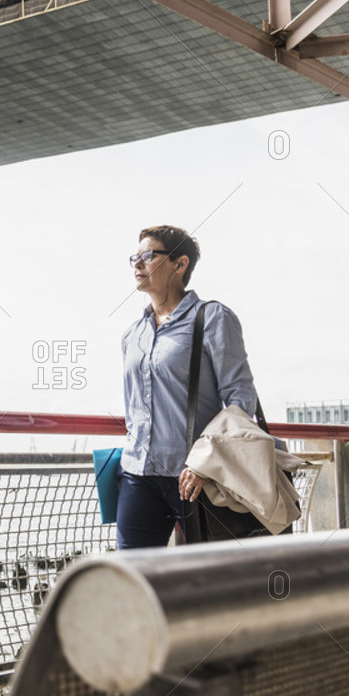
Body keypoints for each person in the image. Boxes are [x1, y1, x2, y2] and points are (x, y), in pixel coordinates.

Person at [117, 224, 258, 549]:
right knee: (135, 578)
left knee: (208, 578)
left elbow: (240, 399)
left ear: (179, 264)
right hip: (137, 474)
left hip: (195, 477)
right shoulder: (132, 334)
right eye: (134, 258)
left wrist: (207, 463)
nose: (137, 264)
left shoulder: (213, 318)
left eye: (148, 256)